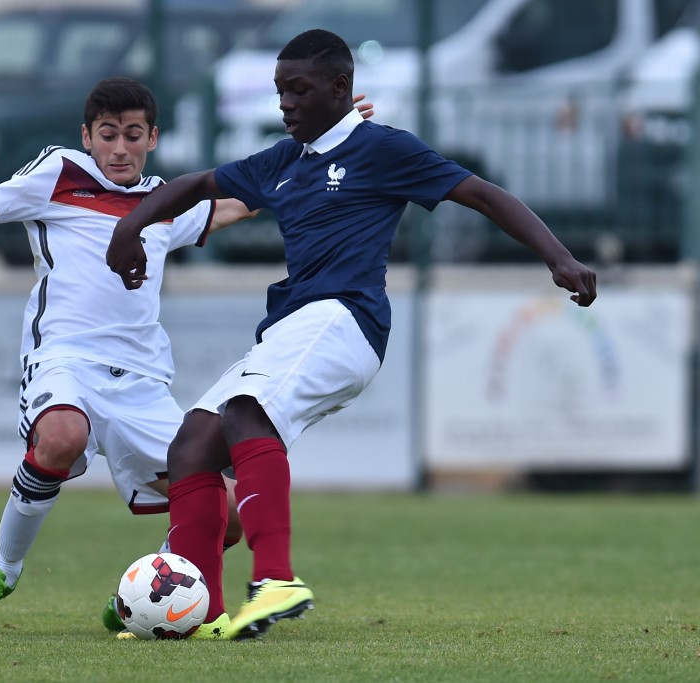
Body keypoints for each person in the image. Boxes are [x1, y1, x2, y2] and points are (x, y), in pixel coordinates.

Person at [0, 76, 377, 638]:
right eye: (107, 134)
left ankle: (139, 596)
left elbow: (242, 202)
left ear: (153, 139)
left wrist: (328, 137)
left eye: (132, 134)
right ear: (87, 136)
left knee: (223, 518)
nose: (119, 148)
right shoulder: (57, 175)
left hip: (143, 382)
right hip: (65, 361)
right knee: (60, 437)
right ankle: (2, 571)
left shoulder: (165, 203)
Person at [106, 29, 598, 641]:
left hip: (343, 318)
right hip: (292, 325)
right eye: (280, 90)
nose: (285, 103)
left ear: (341, 88)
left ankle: (276, 580)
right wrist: (130, 229)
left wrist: (558, 257)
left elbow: (482, 193)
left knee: (246, 412)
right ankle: (200, 614)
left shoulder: (381, 149)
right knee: (193, 444)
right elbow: (196, 185)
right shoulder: (283, 160)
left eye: (300, 89)